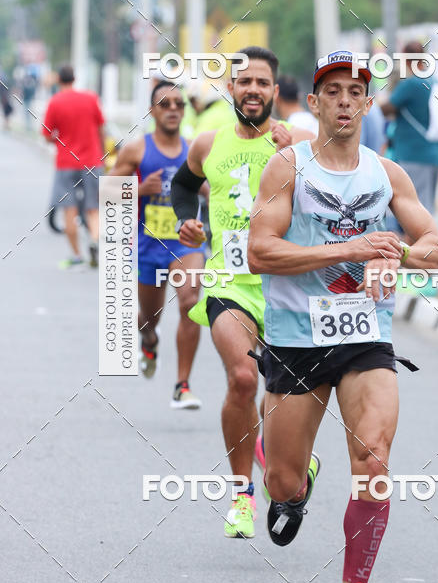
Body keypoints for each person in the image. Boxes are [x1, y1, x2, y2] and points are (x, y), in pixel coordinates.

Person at [247, 50, 438, 583]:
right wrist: (351, 249)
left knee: (375, 464)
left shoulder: (387, 175)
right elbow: (261, 252)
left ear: (366, 104)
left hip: (365, 337)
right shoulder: (288, 168)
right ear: (313, 104)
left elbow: (436, 251)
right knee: (282, 484)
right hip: (295, 339)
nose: (342, 101)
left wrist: (395, 254)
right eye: (330, 91)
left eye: (353, 92)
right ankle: (292, 478)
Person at [171, 47, 315, 538]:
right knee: (241, 379)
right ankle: (242, 495)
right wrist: (186, 222)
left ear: (276, 91)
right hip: (228, 282)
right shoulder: (207, 143)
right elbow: (183, 185)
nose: (252, 89)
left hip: (285, 287)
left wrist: (293, 155)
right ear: (230, 89)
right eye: (244, 81)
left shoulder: (300, 143)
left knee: (281, 396)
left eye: (262, 82)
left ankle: (292, 467)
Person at [109, 81, 206, 408]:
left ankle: (183, 385)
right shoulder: (136, 150)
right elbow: (104, 193)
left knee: (190, 300)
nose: (174, 109)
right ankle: (149, 341)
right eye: (165, 104)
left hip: (185, 244)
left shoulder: (194, 150)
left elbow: (212, 190)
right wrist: (138, 190)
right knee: (149, 319)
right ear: (153, 111)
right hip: (148, 246)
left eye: (179, 103)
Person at [42, 65, 105, 268]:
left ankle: (77, 255)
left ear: (59, 80)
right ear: (75, 78)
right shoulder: (91, 98)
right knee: (93, 209)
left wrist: (59, 140)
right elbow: (101, 126)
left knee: (69, 210)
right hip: (92, 162)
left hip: (66, 164)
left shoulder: (55, 102)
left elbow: (46, 134)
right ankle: (94, 241)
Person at [380, 41, 438, 215]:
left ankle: (424, 243)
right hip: (434, 154)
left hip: (413, 154)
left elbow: (386, 109)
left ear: (406, 59)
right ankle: (428, 241)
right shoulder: (434, 81)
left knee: (415, 212)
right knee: (427, 207)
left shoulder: (412, 84)